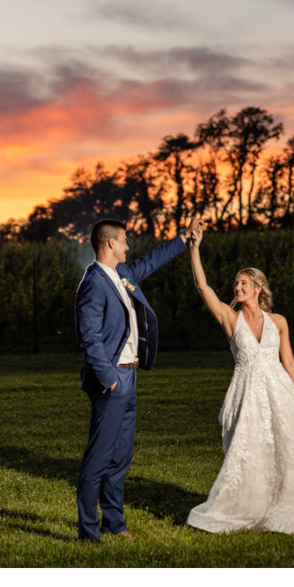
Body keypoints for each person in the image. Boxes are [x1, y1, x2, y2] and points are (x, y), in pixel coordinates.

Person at [183, 226, 294, 534]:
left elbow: (289, 362)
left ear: (257, 288)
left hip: (278, 392)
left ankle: (288, 508)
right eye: (236, 283)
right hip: (244, 394)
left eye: (243, 283)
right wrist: (194, 248)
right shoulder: (231, 318)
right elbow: (203, 287)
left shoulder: (278, 322)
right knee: (246, 453)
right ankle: (238, 509)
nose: (237, 287)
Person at [74, 217, 195, 543]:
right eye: (125, 241)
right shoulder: (93, 282)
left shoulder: (122, 274)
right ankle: (88, 532)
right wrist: (109, 378)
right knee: (98, 461)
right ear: (111, 243)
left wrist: (184, 238)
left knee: (120, 459)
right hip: (112, 380)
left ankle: (114, 523)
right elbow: (90, 338)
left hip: (131, 377)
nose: (128, 246)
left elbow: (151, 261)